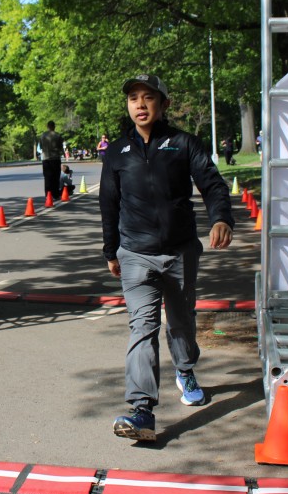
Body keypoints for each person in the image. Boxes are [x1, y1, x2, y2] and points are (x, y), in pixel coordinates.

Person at [99, 74, 234, 441]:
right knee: (142, 328)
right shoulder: (117, 152)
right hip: (135, 255)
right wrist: (111, 250)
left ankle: (185, 369)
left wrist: (221, 218)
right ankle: (141, 410)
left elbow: (212, 184)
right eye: (133, 98)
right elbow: (109, 203)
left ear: (164, 104)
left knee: (181, 323)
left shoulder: (184, 143)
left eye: (148, 97)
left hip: (180, 252)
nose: (140, 104)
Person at [39, 121, 64, 199]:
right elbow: (60, 147)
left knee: (47, 177)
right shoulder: (58, 135)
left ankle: (48, 194)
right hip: (55, 158)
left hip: (46, 158)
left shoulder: (43, 136)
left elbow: (41, 146)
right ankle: (55, 194)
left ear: (47, 126)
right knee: (56, 177)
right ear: (54, 126)